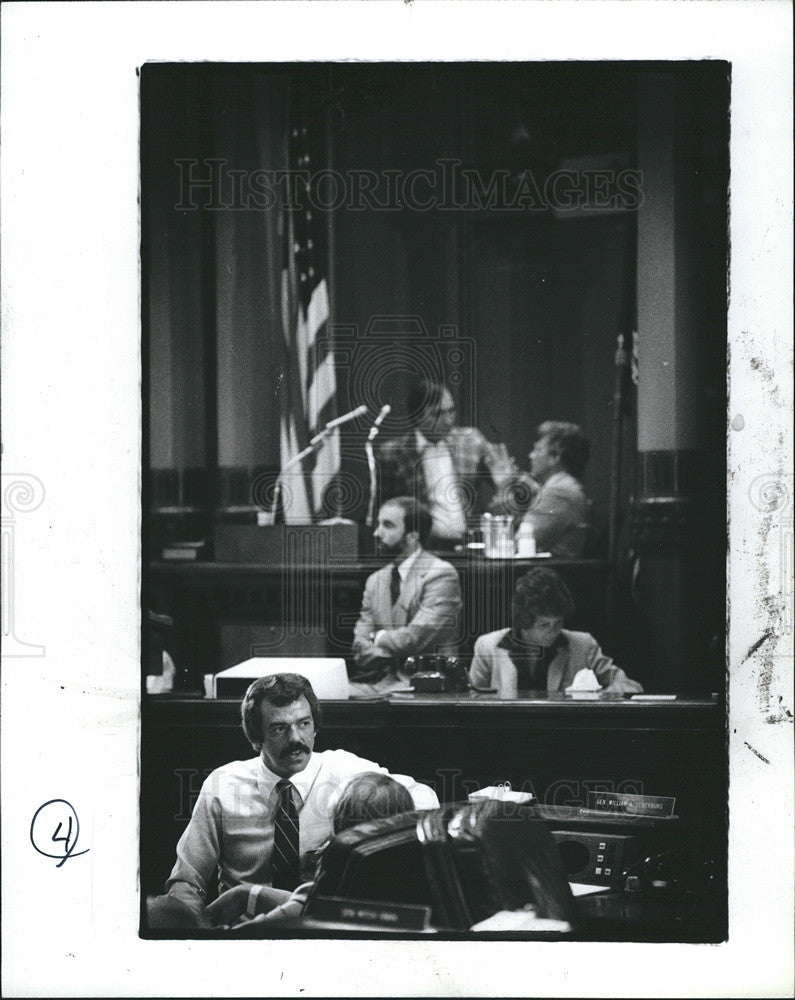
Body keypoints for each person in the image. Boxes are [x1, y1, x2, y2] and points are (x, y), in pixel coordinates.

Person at [157, 673, 438, 923]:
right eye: (280, 728)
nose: (296, 738)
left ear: (315, 726)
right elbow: (186, 882)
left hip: (319, 925)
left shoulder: (344, 770)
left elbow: (424, 799)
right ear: (256, 738)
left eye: (304, 724)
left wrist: (349, 841)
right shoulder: (223, 785)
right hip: (243, 933)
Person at [206, 772, 415, 928]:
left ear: (341, 832)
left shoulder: (334, 877)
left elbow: (279, 920)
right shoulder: (406, 870)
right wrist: (249, 893)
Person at [377, 378, 517, 547]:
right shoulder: (393, 454)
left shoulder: (470, 441)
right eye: (437, 414)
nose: (448, 420)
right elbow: (382, 513)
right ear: (417, 416)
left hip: (468, 545)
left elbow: (510, 486)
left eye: (451, 411)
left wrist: (505, 483)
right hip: (422, 550)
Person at [350, 496, 462, 697]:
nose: (377, 533)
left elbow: (414, 639)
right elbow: (359, 649)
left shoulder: (441, 574)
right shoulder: (376, 580)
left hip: (428, 686)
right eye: (378, 524)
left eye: (388, 525)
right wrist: (391, 648)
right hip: (380, 683)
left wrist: (378, 637)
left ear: (413, 536)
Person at [469, 567, 643, 695]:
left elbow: (629, 685)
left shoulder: (583, 645)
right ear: (523, 621)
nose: (554, 631)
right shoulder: (488, 646)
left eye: (558, 622)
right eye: (544, 625)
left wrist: (607, 694)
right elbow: (471, 700)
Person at [510, 421, 592, 558]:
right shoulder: (559, 486)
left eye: (537, 450)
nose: (531, 455)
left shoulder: (559, 491)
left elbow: (518, 544)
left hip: (554, 573)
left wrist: (504, 485)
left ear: (555, 457)